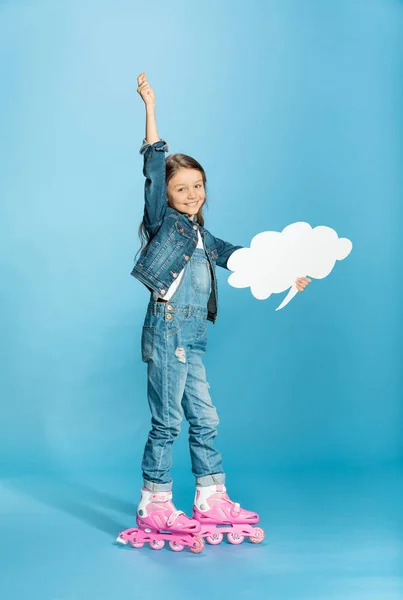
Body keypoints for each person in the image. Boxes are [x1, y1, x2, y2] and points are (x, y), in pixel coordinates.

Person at [121, 72, 311, 552]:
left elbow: (247, 258)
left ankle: (211, 497)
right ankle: (155, 503)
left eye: (198, 186)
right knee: (167, 421)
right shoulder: (164, 224)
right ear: (164, 196)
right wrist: (150, 108)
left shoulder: (204, 238)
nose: (192, 195)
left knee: (205, 419)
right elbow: (154, 165)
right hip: (166, 330)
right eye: (181, 188)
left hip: (193, 336)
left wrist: (289, 272)